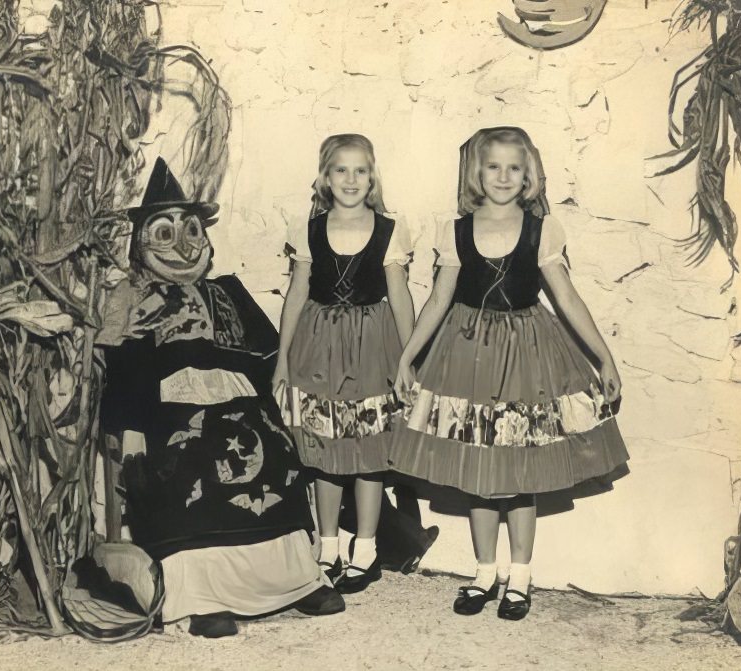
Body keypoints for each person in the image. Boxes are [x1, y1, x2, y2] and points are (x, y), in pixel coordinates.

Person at [98, 158, 344, 639]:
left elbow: (268, 354)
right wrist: (129, 430)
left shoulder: (227, 291)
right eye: (165, 234)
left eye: (191, 231)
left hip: (240, 398)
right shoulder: (131, 297)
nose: (184, 245)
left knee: (275, 453)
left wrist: (279, 399)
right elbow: (122, 371)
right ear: (141, 242)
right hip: (167, 406)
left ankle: (298, 581)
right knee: (191, 463)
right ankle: (206, 599)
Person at [390, 127, 629, 620]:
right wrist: (406, 356)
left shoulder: (542, 230)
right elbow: (438, 299)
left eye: (514, 168)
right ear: (477, 173)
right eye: (493, 167)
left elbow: (565, 298)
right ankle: (484, 574)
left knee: (521, 475)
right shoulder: (456, 231)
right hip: (467, 357)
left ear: (528, 176)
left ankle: (519, 578)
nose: (503, 176)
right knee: (479, 474)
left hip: (527, 356)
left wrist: (604, 357)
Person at [273, 134, 415, 593]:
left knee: (368, 452)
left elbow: (399, 295)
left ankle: (366, 549)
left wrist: (409, 358)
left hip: (373, 346)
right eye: (341, 170)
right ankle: (327, 546)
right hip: (319, 347)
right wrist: (282, 359)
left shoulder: (390, 228)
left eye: (360, 170)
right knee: (324, 451)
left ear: (372, 177)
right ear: (325, 177)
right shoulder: (310, 228)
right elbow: (296, 294)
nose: (350, 180)